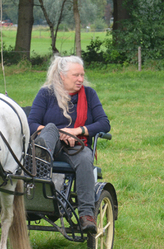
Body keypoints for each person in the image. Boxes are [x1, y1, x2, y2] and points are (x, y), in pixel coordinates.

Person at [28, 55, 110, 234]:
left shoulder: (89, 94)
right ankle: (40, 171)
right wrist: (61, 133)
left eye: (82, 75)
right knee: (49, 128)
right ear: (62, 75)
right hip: (49, 144)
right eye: (76, 75)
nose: (81, 79)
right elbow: (31, 123)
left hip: (77, 146)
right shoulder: (46, 93)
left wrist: (77, 131)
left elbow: (104, 123)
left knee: (85, 157)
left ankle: (86, 214)